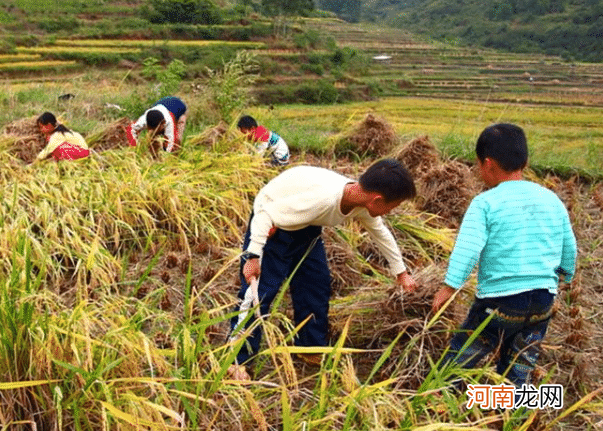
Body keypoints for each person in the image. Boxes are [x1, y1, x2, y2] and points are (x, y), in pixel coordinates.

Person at [228, 159, 418, 380]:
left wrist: (401, 273)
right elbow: (265, 214)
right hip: (274, 223)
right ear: (377, 199)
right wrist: (252, 256)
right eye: (392, 206)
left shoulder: (360, 202)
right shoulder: (323, 199)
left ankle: (309, 347)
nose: (390, 211)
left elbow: (381, 234)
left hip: (306, 227)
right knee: (260, 293)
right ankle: (236, 359)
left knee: (315, 285)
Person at [432, 123, 577, 389]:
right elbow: (569, 247)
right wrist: (565, 275)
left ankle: (436, 403)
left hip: (500, 304)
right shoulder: (551, 199)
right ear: (526, 160)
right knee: (519, 369)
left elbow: (468, 249)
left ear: (487, 164)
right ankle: (516, 416)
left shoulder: (485, 203)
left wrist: (447, 289)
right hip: (542, 302)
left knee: (458, 361)